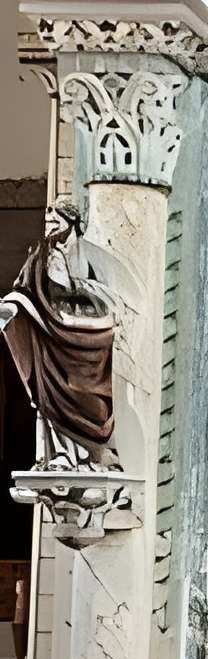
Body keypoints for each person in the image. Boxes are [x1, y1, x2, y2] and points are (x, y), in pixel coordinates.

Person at [0, 199, 115, 468]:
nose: (48, 221)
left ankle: (89, 454)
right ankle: (61, 455)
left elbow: (109, 295)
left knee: (82, 393)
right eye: (47, 217)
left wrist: (79, 286)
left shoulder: (89, 256)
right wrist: (12, 306)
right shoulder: (39, 257)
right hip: (50, 337)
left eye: (55, 216)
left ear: (71, 221)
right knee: (50, 393)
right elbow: (23, 290)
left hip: (86, 337)